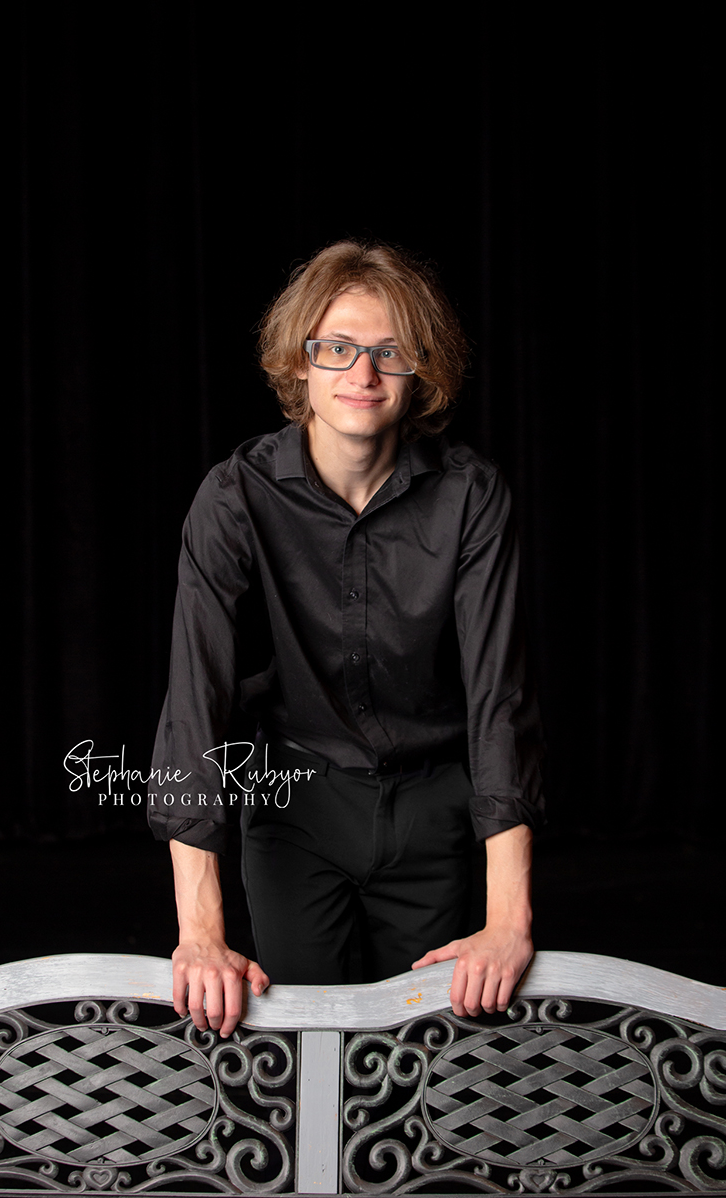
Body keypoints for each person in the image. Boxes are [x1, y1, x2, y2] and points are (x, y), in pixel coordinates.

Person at [149, 240, 544, 1038]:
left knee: (428, 1058)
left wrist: (509, 920)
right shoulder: (234, 497)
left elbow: (499, 699)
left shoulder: (471, 497)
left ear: (420, 371)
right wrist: (200, 933)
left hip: (434, 803)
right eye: (336, 349)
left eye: (388, 353)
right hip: (293, 802)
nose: (361, 375)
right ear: (299, 364)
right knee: (303, 1054)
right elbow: (197, 700)